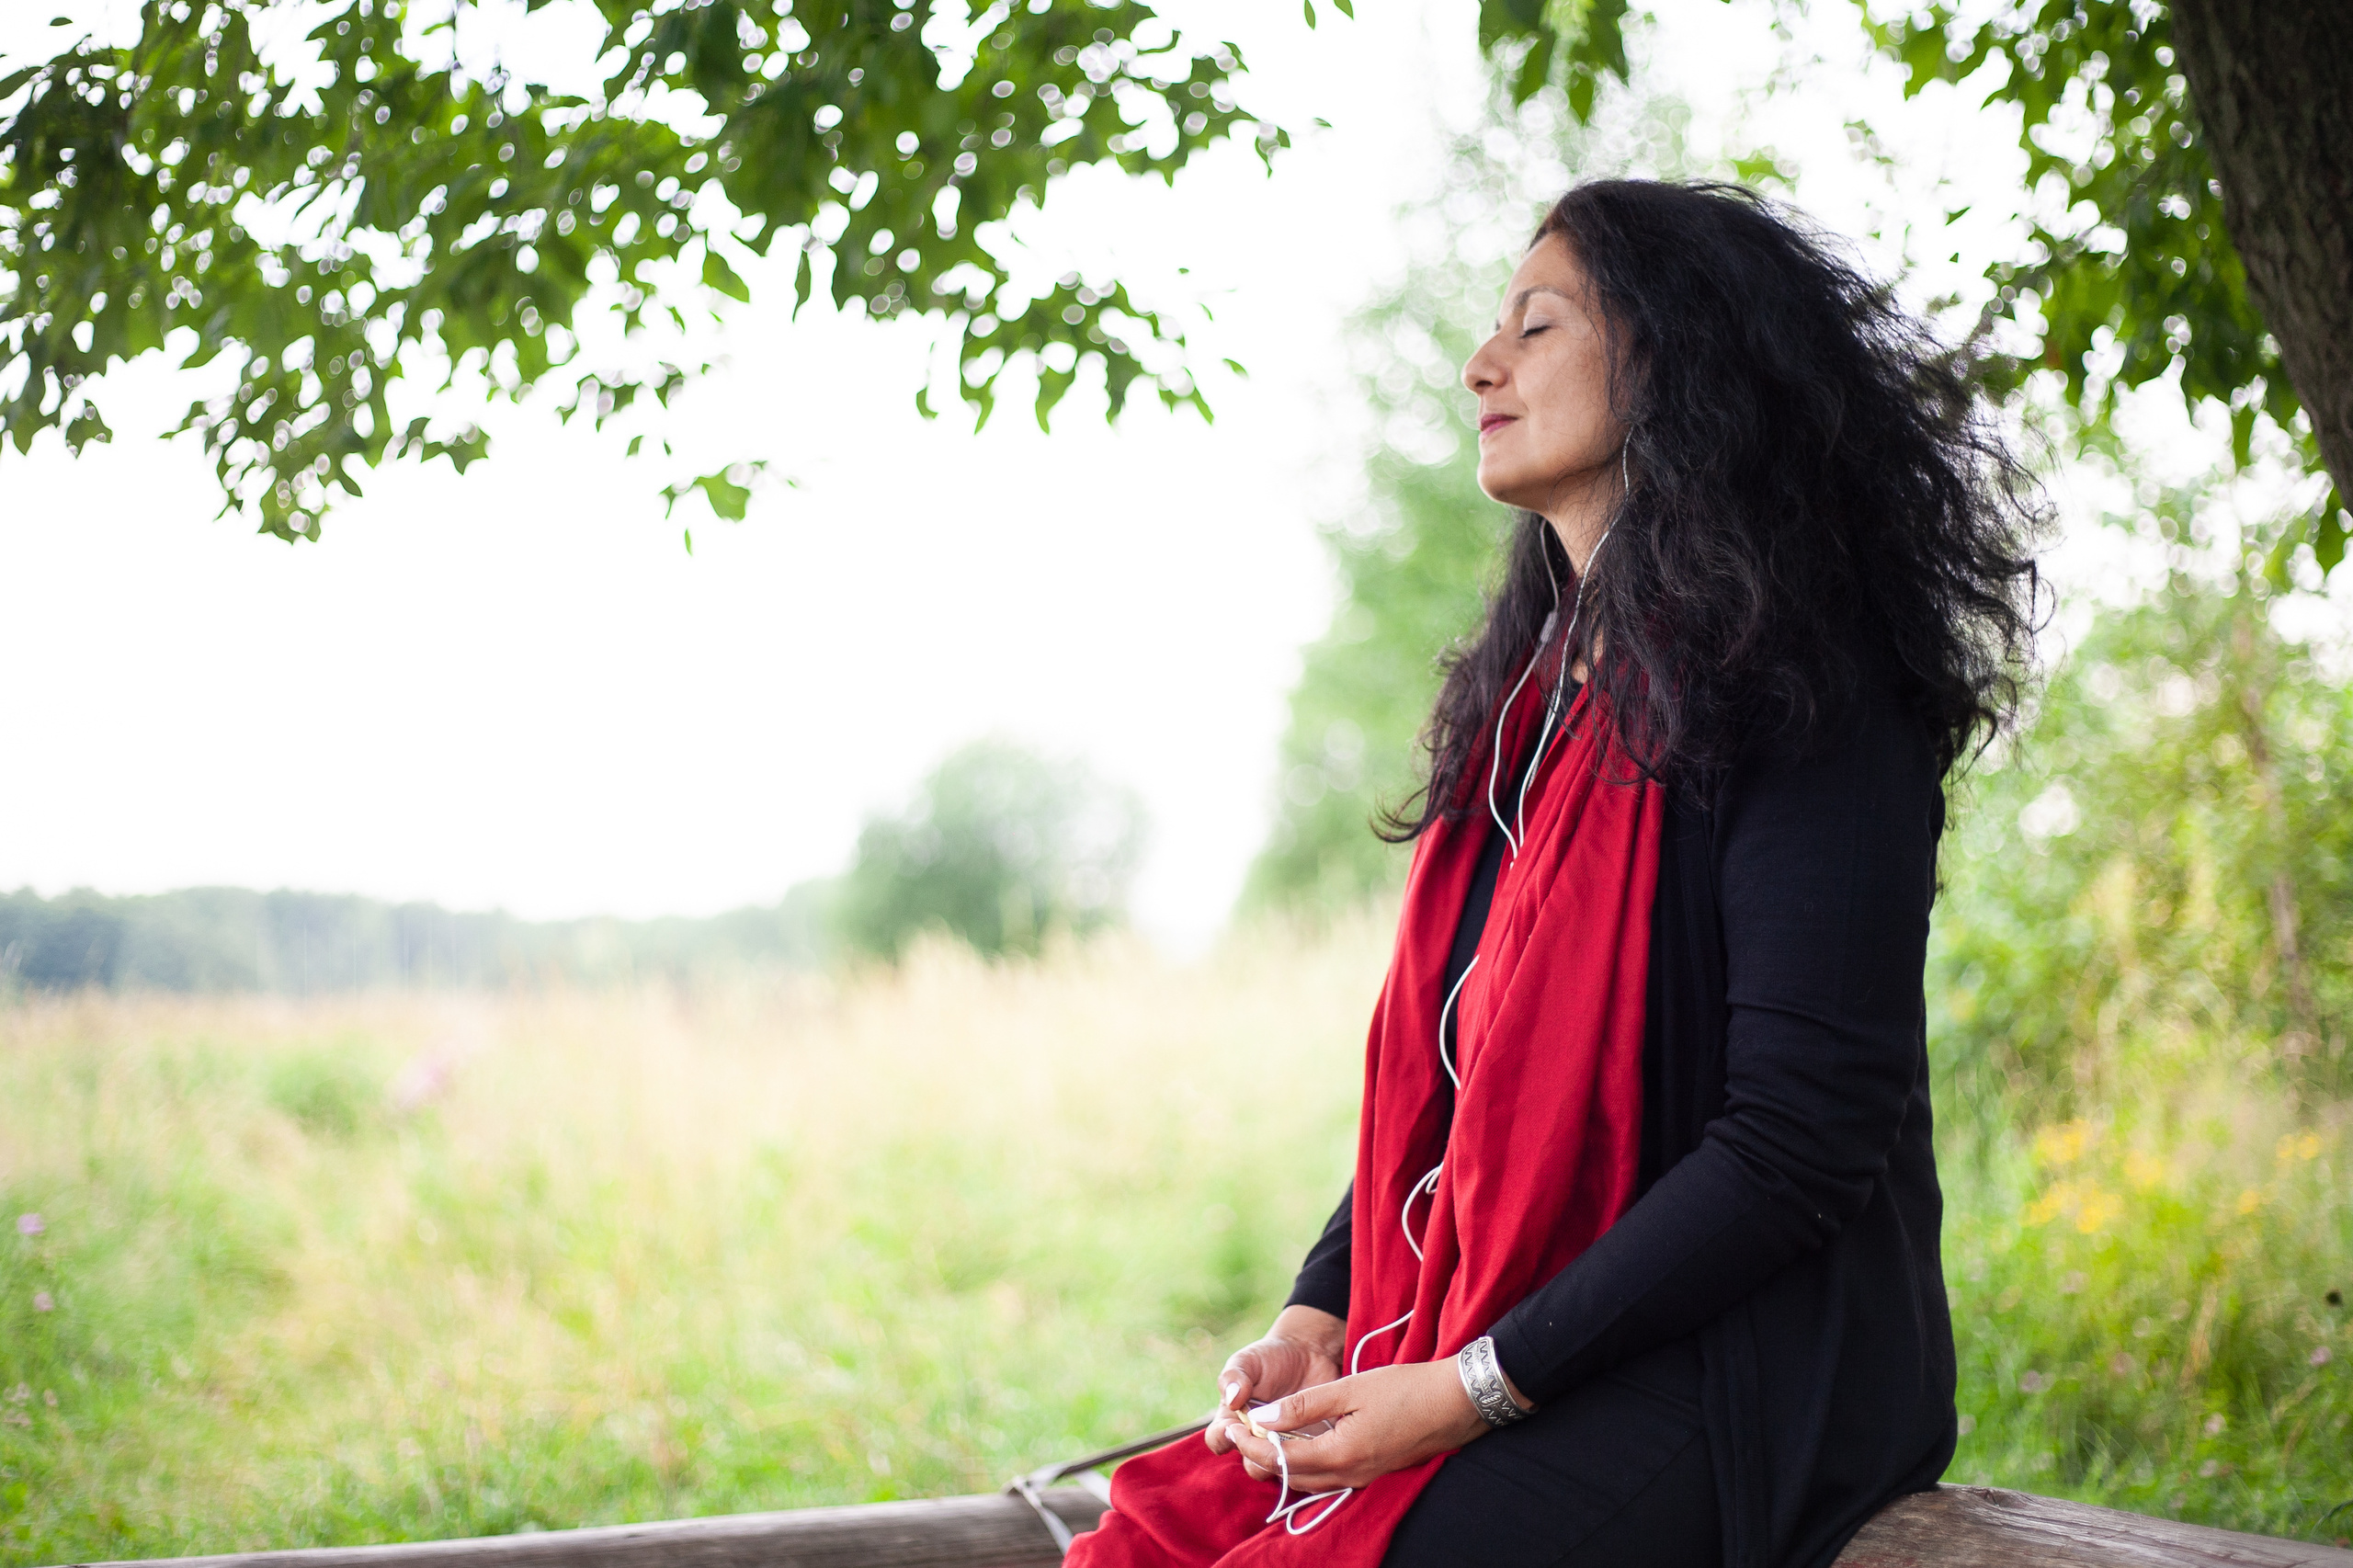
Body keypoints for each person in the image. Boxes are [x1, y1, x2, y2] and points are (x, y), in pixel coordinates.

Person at [1066, 179, 2041, 1568]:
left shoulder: (1807, 686)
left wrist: (1466, 1389)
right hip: (1510, 1340)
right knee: (1161, 1532)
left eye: (1537, 326)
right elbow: (1462, 1084)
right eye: (1494, 330)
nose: (1482, 364)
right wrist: (1320, 1314)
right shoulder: (1530, 711)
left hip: (1742, 1370)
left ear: (1677, 361)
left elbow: (1797, 1144)